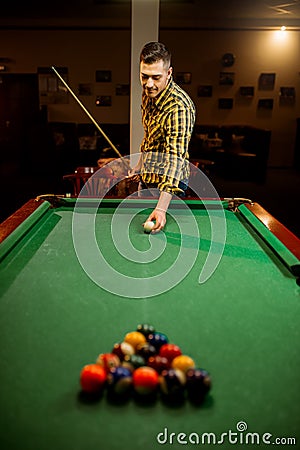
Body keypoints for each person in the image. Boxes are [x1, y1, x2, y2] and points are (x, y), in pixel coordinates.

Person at [129, 41, 196, 233]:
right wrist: (140, 166)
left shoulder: (179, 107)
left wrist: (160, 208)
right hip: (150, 177)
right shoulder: (148, 93)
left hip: (171, 185)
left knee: (167, 240)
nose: (149, 84)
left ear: (169, 73)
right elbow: (150, 136)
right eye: (144, 76)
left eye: (156, 77)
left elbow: (175, 160)